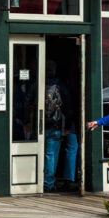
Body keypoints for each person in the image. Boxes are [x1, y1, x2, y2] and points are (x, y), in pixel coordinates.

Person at [43, 61, 72, 193]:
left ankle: (34, 180)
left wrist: (27, 122)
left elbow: (28, 100)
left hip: (39, 125)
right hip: (56, 125)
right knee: (51, 155)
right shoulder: (61, 85)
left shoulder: (39, 82)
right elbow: (68, 106)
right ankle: (48, 184)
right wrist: (68, 125)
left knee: (38, 153)